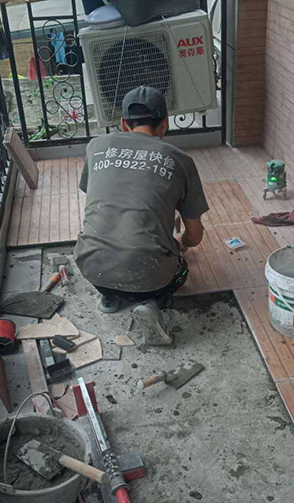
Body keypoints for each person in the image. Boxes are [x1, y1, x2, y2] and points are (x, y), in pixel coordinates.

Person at [74, 86, 208, 344]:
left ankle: (110, 297)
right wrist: (182, 244)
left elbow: (97, 197)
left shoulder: (97, 147)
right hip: (150, 276)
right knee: (180, 269)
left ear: (123, 123)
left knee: (109, 258)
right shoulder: (179, 160)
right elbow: (195, 235)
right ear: (165, 124)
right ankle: (153, 301)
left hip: (92, 267)